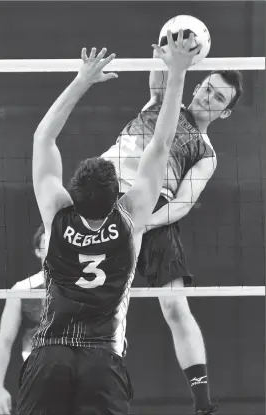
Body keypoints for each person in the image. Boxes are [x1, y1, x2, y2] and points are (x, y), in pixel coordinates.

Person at [16, 31, 201, 415]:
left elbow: (42, 139)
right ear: (117, 191)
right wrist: (178, 73)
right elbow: (161, 144)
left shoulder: (56, 213)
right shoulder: (130, 217)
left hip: (50, 352)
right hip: (103, 359)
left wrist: (81, 80)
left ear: (73, 193)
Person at [101, 31, 244, 415]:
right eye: (206, 87)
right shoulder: (165, 102)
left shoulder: (206, 151)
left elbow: (182, 204)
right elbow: (160, 77)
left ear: (224, 111)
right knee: (92, 295)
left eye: (217, 97)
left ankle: (202, 403)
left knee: (174, 305)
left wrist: (143, 223)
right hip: (106, 195)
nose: (205, 97)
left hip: (154, 211)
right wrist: (166, 49)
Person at [0, 225, 45, 415]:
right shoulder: (23, 289)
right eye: (48, 244)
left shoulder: (85, 285)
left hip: (80, 374)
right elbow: (4, 340)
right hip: (38, 373)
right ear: (38, 251)